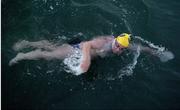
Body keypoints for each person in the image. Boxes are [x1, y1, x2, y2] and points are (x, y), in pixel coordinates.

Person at [9, 33, 160, 74]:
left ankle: (26, 43)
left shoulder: (122, 43)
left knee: (52, 46)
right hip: (76, 49)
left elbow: (137, 47)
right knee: (49, 55)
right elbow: (87, 44)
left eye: (122, 49)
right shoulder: (104, 43)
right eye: (118, 46)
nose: (119, 50)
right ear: (115, 41)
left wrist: (153, 51)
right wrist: (86, 60)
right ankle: (22, 56)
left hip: (78, 46)